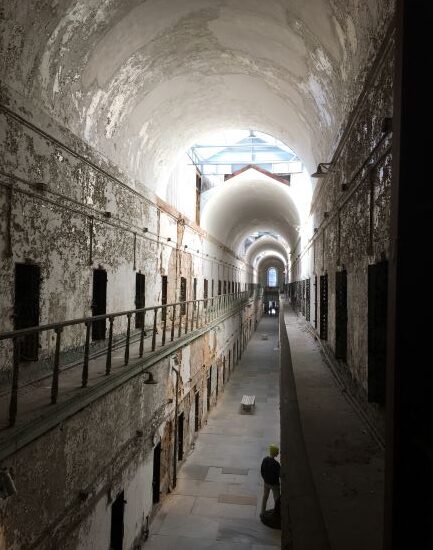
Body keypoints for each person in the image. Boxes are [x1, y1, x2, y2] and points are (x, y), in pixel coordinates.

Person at [260, 444, 280, 517]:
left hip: (266, 483)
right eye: (277, 452)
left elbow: (262, 470)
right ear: (274, 453)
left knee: (265, 497)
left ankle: (262, 512)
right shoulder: (276, 464)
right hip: (275, 485)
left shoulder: (265, 460)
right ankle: (277, 514)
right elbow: (280, 474)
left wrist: (265, 479)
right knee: (277, 500)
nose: (278, 453)